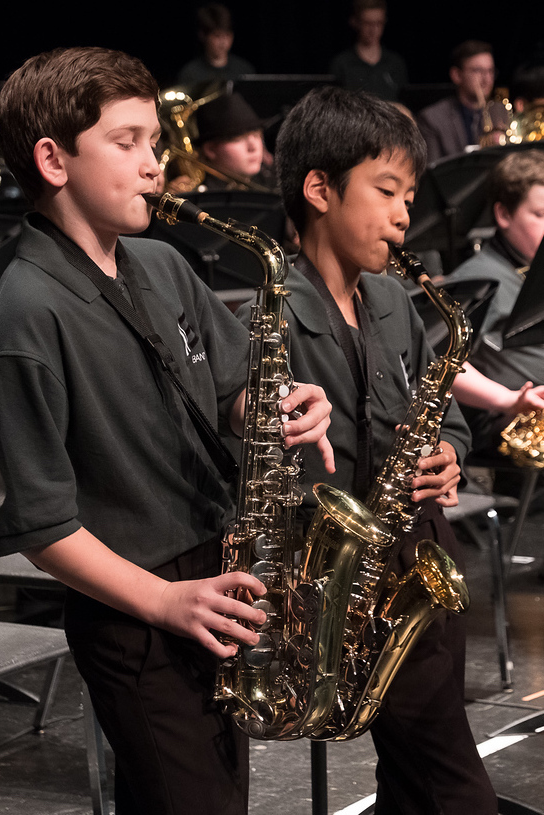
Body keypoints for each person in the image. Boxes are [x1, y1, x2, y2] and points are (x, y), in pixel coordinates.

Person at [0, 46, 334, 815]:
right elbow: (41, 525)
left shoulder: (162, 264)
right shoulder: (22, 314)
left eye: (156, 145)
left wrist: (278, 407)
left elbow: (233, 390)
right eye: (127, 142)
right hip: (135, 613)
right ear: (52, 159)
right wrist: (165, 603)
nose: (154, 166)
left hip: (215, 579)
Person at [234, 84, 498, 814]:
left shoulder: (391, 298)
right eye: (386, 191)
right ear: (319, 188)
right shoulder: (266, 311)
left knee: (414, 777)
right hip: (335, 585)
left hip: (415, 556)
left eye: (409, 195)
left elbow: (433, 409)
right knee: (451, 781)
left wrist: (446, 448)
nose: (404, 214)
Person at [447, 149, 544, 458]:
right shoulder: (476, 281)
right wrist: (508, 398)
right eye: (540, 215)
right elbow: (441, 359)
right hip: (509, 435)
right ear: (503, 215)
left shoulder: (531, 267)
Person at [417, 40, 509, 164]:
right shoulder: (432, 118)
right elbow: (431, 172)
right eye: (477, 71)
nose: (486, 79)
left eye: (490, 71)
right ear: (456, 75)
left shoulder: (501, 112)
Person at [328, 0, 408, 103]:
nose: (374, 30)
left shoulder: (395, 63)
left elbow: (405, 104)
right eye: (368, 23)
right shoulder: (342, 63)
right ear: (355, 22)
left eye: (379, 23)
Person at [176, 3, 255, 92]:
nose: (223, 42)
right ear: (203, 36)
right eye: (217, 36)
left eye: (227, 35)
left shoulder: (244, 70)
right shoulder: (190, 74)